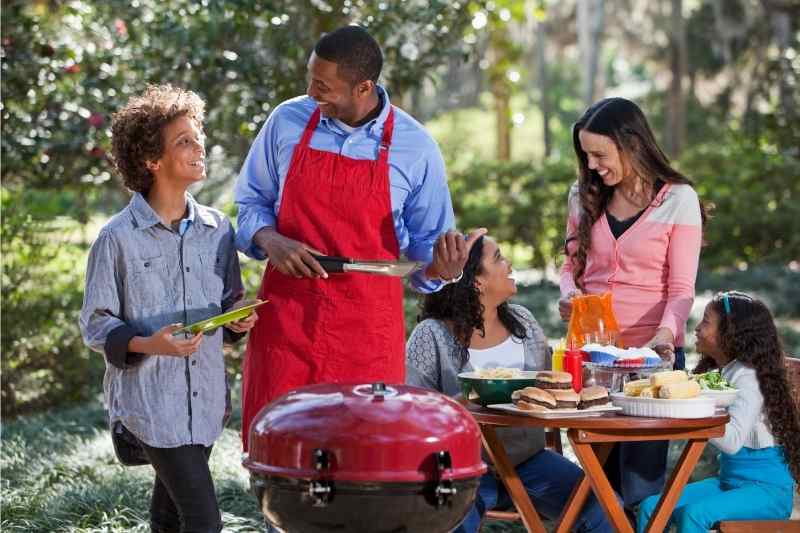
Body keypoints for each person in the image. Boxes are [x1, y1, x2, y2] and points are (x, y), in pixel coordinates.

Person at [235, 25, 480, 450]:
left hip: (366, 335)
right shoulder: (286, 121)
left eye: (323, 86)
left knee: (362, 461)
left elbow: (426, 254)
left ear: (364, 87)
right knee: (279, 458)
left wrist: (443, 269)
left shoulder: (415, 147)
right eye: (310, 79)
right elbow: (251, 203)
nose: (311, 92)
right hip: (286, 325)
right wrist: (269, 239)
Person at [79, 84, 257, 533]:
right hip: (152, 406)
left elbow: (227, 305)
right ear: (151, 160)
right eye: (184, 140)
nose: (199, 146)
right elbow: (96, 324)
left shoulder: (219, 230)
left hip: (207, 402)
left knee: (171, 519)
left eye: (198, 136)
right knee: (204, 522)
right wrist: (149, 344)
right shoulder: (117, 239)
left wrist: (238, 319)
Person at [406, 235, 614, 533]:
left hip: (529, 462)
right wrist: (460, 406)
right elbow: (411, 412)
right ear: (476, 281)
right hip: (463, 469)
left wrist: (588, 371)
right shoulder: (432, 335)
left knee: (605, 509)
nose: (510, 263)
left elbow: (555, 388)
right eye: (499, 258)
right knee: (454, 522)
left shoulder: (523, 322)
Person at [559, 97, 705, 508]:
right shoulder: (583, 195)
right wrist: (568, 293)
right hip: (593, 360)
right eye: (586, 155)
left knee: (639, 485)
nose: (591, 166)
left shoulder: (679, 199)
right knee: (597, 480)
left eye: (599, 154)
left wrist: (664, 337)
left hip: (650, 364)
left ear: (632, 144)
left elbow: (681, 288)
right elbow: (570, 264)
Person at [638, 292, 800, 532]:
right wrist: (665, 368)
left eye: (705, 322)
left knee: (693, 515)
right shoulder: (724, 370)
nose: (696, 329)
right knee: (651, 507)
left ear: (729, 333)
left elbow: (733, 441)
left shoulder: (749, 376)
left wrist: (693, 409)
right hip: (729, 482)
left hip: (767, 491)